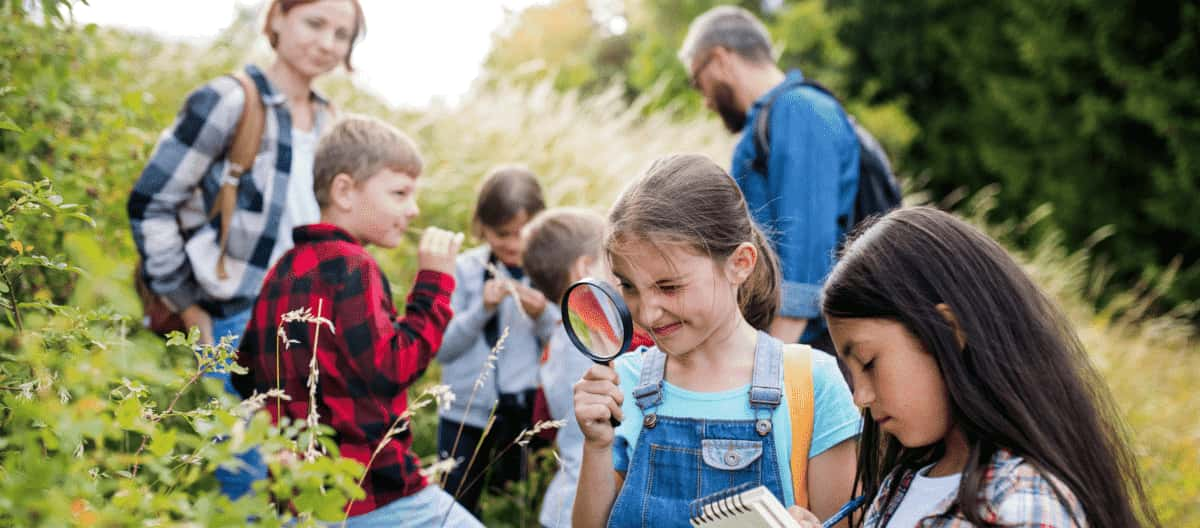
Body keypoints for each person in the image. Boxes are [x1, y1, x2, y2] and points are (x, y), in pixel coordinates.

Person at [786, 206, 1159, 527]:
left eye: (869, 362)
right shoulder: (902, 483)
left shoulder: (1021, 504)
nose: (861, 396)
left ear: (949, 331)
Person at [126, 0, 365, 499]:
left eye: (342, 34)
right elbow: (151, 202)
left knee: (300, 489)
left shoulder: (331, 122)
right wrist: (188, 306)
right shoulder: (230, 100)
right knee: (247, 485)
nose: (326, 42)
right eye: (314, 23)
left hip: (308, 330)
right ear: (277, 18)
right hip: (235, 322)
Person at [571, 154, 861, 528]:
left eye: (669, 287)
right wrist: (596, 446)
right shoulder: (623, 381)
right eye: (628, 286)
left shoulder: (809, 383)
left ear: (740, 263)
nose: (647, 313)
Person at [231, 115, 483, 527]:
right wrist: (435, 285)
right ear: (344, 191)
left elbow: (245, 375)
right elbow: (391, 369)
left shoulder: (284, 269)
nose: (413, 209)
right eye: (399, 193)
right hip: (375, 491)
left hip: (303, 495)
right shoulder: (353, 266)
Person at [678, 6, 860, 347]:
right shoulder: (771, 120)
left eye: (696, 80)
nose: (704, 100)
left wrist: (769, 370)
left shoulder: (799, 110)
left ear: (720, 60)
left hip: (809, 349)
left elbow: (805, 260)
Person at [436, 166, 559, 513]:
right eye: (502, 234)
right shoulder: (463, 270)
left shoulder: (551, 273)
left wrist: (542, 317)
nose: (514, 245)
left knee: (518, 508)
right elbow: (443, 349)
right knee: (454, 507)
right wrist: (481, 310)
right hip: (464, 415)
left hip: (526, 416)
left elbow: (566, 346)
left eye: (524, 233)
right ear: (482, 228)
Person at [520, 207, 610, 528]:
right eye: (611, 259)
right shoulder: (591, 329)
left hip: (564, 502)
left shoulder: (562, 330)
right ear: (585, 268)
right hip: (585, 505)